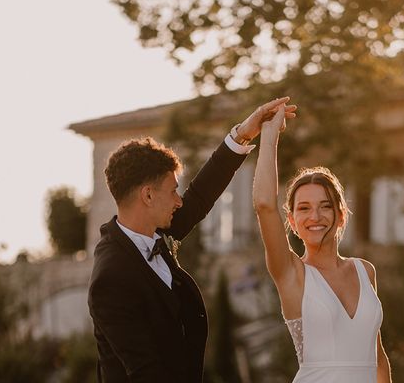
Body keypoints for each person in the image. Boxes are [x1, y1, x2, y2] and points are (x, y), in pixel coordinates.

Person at [88, 97, 297, 383]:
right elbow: (146, 373)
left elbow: (201, 195)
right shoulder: (111, 277)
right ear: (148, 196)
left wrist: (243, 134)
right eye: (173, 191)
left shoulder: (156, 234)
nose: (179, 201)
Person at [253, 105, 392, 383]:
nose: (315, 216)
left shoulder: (366, 272)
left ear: (341, 215)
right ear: (291, 221)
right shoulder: (292, 274)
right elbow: (265, 204)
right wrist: (269, 136)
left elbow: (377, 358)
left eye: (325, 206)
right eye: (303, 208)